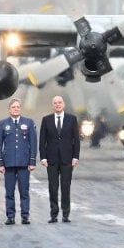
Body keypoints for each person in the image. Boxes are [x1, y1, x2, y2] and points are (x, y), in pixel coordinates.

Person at [39, 95, 81, 223]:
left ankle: (66, 214)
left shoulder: (72, 119)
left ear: (63, 104)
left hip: (67, 159)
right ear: (53, 105)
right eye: (55, 103)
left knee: (65, 187)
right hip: (51, 159)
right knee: (52, 187)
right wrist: (43, 157)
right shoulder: (46, 120)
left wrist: (75, 157)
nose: (57, 105)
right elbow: (42, 140)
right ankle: (53, 214)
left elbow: (76, 140)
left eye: (60, 102)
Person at [0, 98, 36, 225]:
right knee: (9, 192)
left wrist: (32, 161)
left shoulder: (28, 123)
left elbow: (33, 143)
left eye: (18, 106)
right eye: (13, 107)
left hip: (24, 163)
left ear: (20, 108)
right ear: (9, 109)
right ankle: (10, 216)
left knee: (24, 191)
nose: (16, 108)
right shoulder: (3, 124)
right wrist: (0, 163)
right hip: (9, 164)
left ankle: (25, 216)